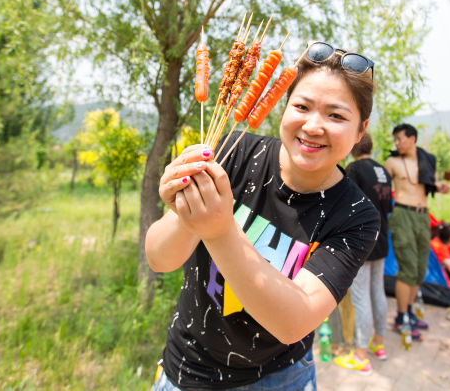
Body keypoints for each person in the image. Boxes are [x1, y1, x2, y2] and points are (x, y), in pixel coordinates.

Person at [145, 41, 381, 390]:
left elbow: (293, 322)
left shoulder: (356, 216)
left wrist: (221, 230)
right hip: (187, 369)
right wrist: (184, 213)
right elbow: (159, 258)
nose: (313, 126)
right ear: (284, 108)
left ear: (360, 130)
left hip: (280, 379)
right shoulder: (233, 151)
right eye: (302, 106)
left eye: (336, 116)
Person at [384, 123, 450, 341]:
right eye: (395, 140)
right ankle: (401, 317)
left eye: (400, 139)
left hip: (423, 215)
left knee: (420, 268)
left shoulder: (426, 160)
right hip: (402, 214)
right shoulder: (392, 162)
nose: (397, 143)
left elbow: (431, 184)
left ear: (412, 139)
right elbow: (381, 188)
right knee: (408, 268)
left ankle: (410, 312)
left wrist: (440, 187)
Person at [334, 133, 393, 375]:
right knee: (378, 291)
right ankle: (379, 343)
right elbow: (388, 206)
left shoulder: (354, 169)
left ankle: (360, 355)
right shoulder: (383, 170)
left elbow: (346, 203)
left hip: (362, 240)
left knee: (360, 298)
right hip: (382, 236)